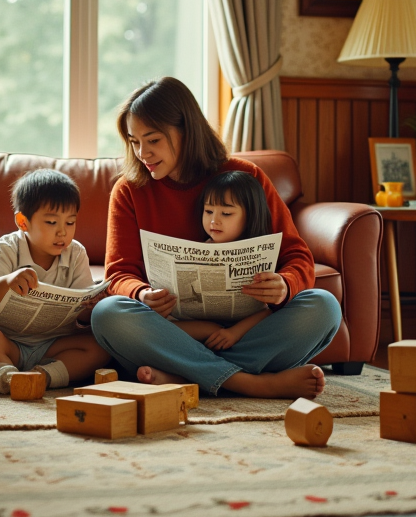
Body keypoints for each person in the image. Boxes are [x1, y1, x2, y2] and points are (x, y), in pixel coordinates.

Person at [91, 77, 341, 400]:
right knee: (108, 314)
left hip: (244, 330)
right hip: (174, 332)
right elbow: (119, 274)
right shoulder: (128, 191)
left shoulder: (245, 177)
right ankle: (251, 384)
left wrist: (285, 284)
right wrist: (140, 294)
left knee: (324, 307)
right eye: (134, 142)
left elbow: (297, 257)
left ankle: (184, 375)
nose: (143, 154)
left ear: (186, 130)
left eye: (152, 140)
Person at [0, 169, 111, 395]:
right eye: (51, 222)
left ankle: (43, 377)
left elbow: (82, 315)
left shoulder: (76, 253)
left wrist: (93, 305)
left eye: (70, 222)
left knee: (99, 346)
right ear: (23, 222)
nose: (62, 232)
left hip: (55, 345)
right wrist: (8, 281)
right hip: (11, 343)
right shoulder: (7, 247)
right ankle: (8, 378)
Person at [174, 171, 275, 350]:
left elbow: (268, 311)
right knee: (151, 323)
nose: (214, 220)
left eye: (226, 213)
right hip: (200, 329)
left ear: (250, 215)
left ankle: (189, 369)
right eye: (209, 211)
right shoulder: (198, 250)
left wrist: (234, 333)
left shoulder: (262, 255)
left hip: (244, 332)